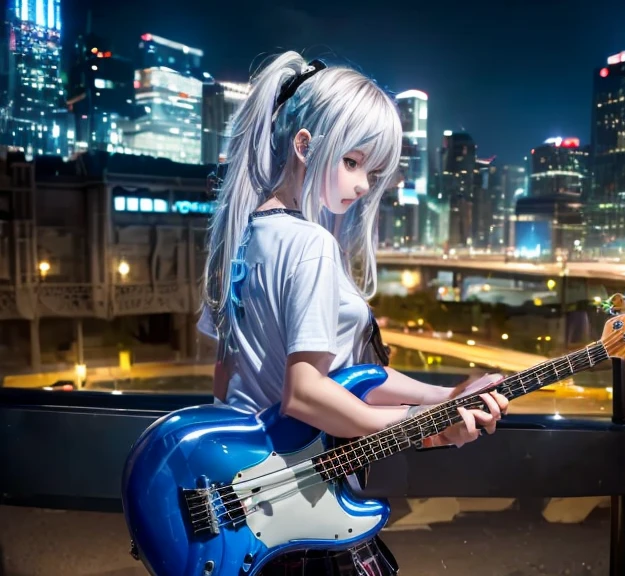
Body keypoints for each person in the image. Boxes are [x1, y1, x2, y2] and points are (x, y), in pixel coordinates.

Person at [199, 51, 509, 575]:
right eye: (353, 162)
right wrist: (422, 424)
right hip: (303, 506)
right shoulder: (311, 245)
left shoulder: (237, 242)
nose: (364, 185)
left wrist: (446, 396)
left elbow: (232, 382)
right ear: (305, 147)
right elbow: (305, 392)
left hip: (251, 500)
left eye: (373, 170)